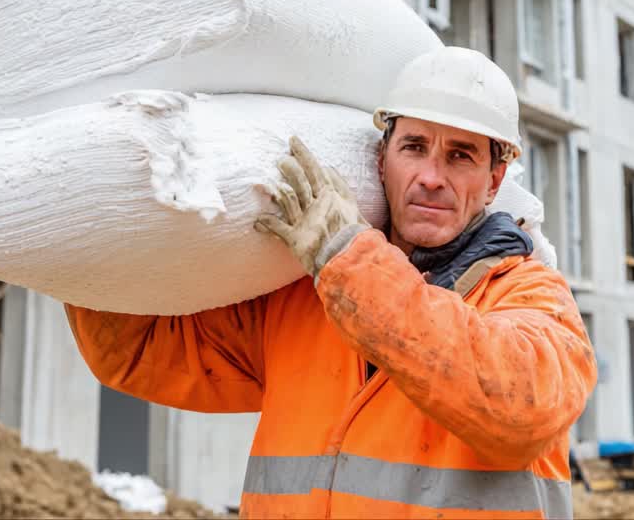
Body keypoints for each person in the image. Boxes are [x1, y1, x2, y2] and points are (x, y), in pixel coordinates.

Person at [64, 46, 598, 518]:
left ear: (493, 181)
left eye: (460, 156)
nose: (432, 177)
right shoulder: (304, 299)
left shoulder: (532, 295)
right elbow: (139, 352)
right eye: (414, 147)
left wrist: (349, 260)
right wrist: (69, 236)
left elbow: (516, 410)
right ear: (381, 159)